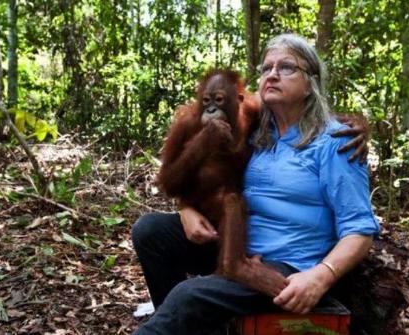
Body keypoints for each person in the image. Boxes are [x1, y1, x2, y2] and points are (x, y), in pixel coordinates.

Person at [132, 33, 379, 335]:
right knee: (151, 232)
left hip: (287, 263)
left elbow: (360, 229)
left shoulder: (336, 142)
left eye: (287, 67)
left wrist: (320, 276)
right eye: (266, 68)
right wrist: (186, 206)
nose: (272, 74)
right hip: (237, 245)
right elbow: (198, 173)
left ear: (310, 83)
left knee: (189, 296)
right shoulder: (258, 127)